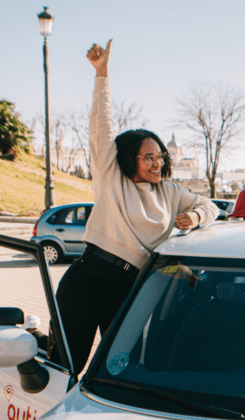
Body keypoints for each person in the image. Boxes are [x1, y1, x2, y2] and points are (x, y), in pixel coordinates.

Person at [51, 40, 219, 372]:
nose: (157, 163)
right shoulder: (112, 178)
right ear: (131, 159)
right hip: (88, 279)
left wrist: (196, 216)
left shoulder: (170, 193)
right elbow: (101, 127)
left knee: (121, 369)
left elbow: (210, 205)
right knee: (66, 367)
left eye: (160, 156)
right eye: (148, 157)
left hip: (129, 289)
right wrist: (102, 75)